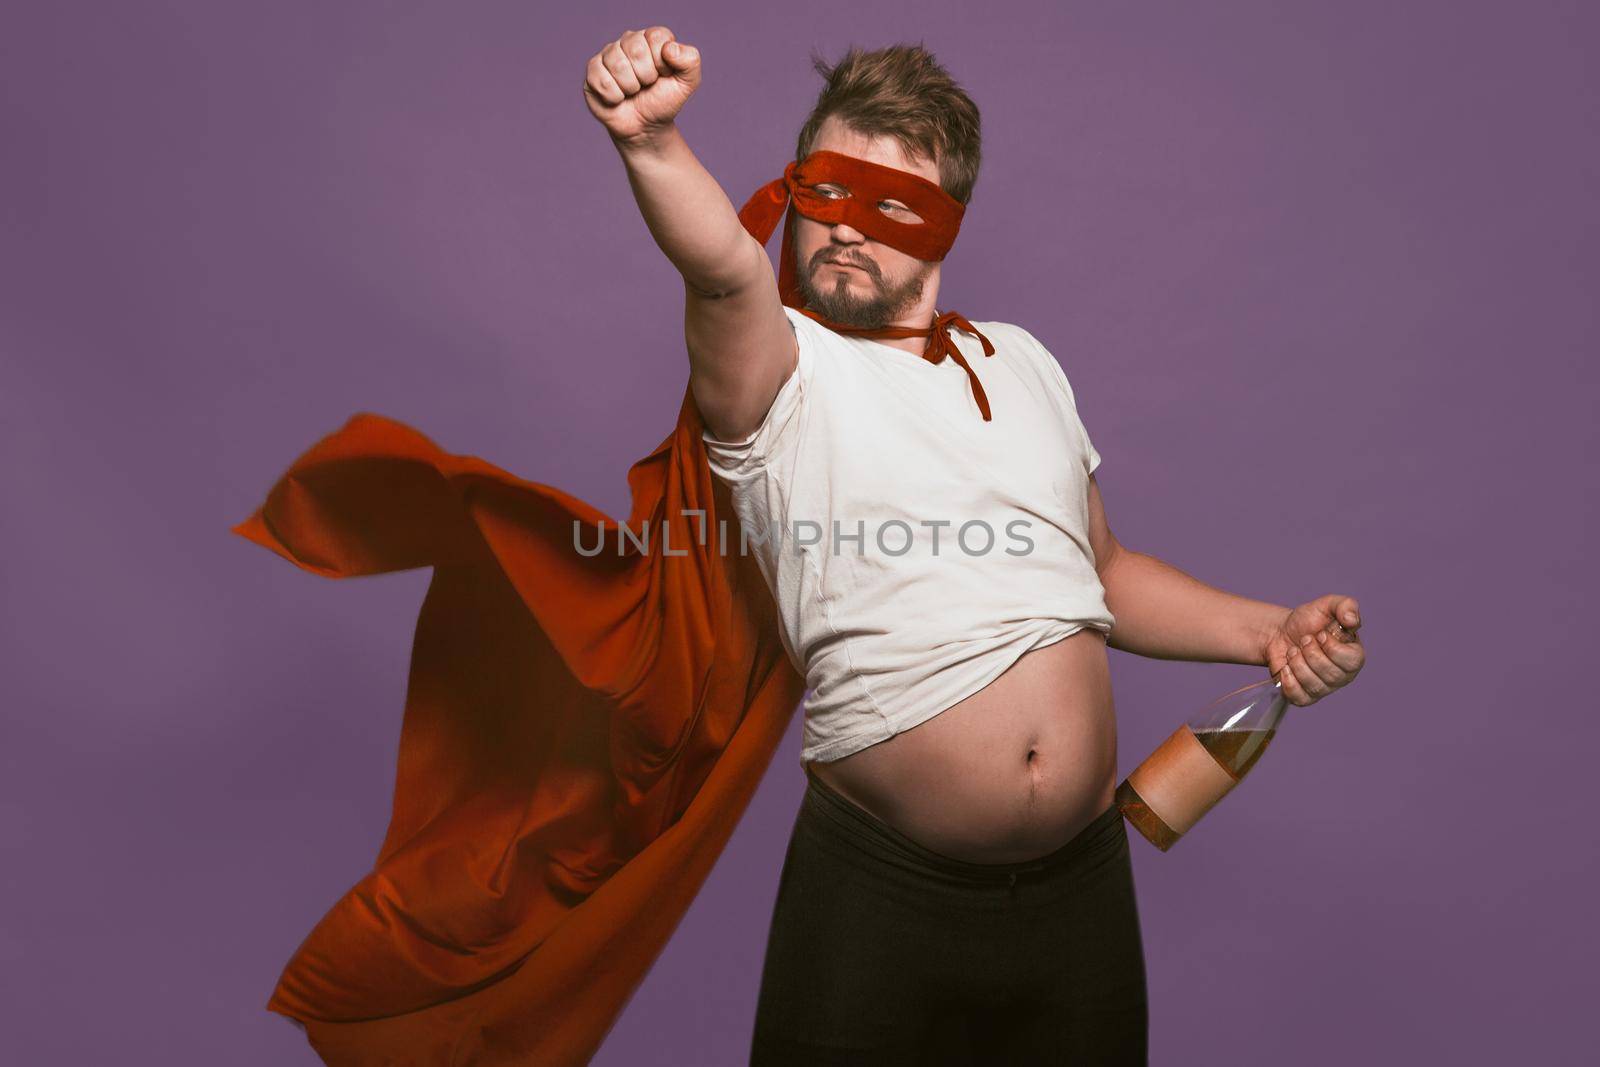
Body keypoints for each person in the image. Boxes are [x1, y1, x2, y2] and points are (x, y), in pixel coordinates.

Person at [584, 27, 1366, 1065]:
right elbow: (725, 272)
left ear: (945, 226)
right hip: (879, 891)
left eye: (890, 205)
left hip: (1079, 892)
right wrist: (651, 144)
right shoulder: (780, 368)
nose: (847, 232)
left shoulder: (1025, 362)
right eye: (826, 195)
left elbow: (1105, 571)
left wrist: (1271, 630)